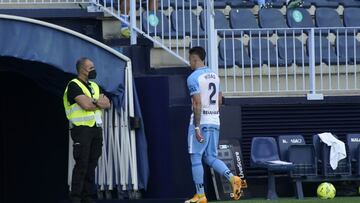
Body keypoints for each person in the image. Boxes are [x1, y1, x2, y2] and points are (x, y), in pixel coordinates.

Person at [185, 47, 243, 203]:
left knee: (196, 157)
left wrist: (197, 127)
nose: (189, 62)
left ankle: (200, 195)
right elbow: (219, 101)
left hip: (201, 121)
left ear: (194, 59)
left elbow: (197, 103)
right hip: (214, 121)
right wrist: (212, 116)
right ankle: (233, 179)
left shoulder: (193, 78)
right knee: (210, 157)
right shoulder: (215, 76)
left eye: (190, 59)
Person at [63, 58, 111, 203]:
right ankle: (76, 198)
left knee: (92, 164)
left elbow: (107, 103)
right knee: (82, 164)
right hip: (81, 130)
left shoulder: (95, 86)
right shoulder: (73, 85)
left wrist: (94, 102)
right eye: (91, 68)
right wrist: (97, 102)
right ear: (82, 70)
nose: (93, 70)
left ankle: (88, 197)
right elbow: (86, 105)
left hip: (96, 129)